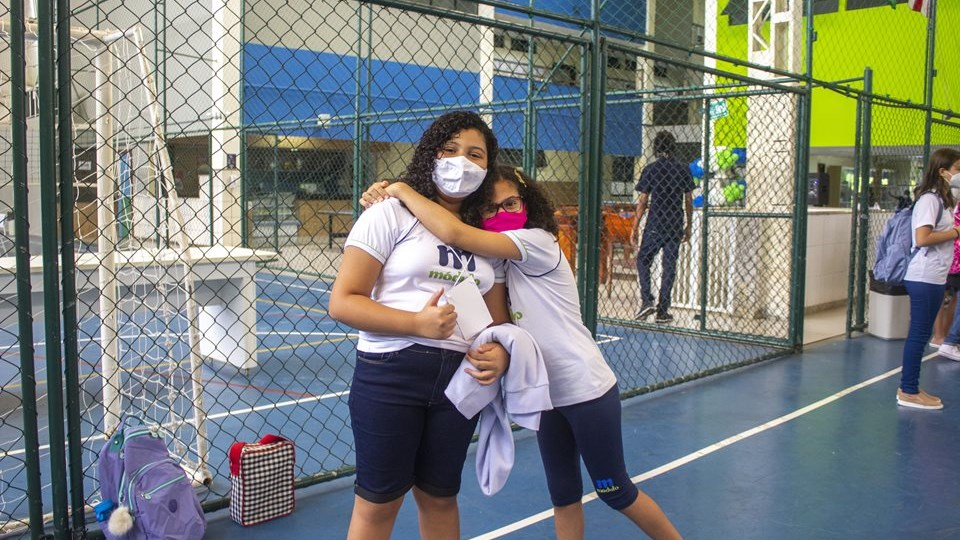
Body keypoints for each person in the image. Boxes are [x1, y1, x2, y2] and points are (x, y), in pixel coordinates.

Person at [364, 166, 682, 540]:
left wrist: (401, 190)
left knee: (615, 491)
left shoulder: (537, 242)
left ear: (527, 203)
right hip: (544, 393)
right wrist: (381, 201)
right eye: (490, 208)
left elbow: (453, 232)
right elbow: (476, 285)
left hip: (585, 389)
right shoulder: (495, 261)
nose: (501, 213)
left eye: (510, 203)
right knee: (563, 496)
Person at [328, 111, 512, 540]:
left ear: (488, 167)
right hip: (391, 374)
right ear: (430, 154)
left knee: (440, 497)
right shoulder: (389, 214)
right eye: (449, 149)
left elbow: (497, 321)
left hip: (462, 381)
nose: (461, 161)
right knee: (378, 503)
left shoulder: (487, 234)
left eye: (475, 154)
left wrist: (501, 353)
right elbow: (343, 301)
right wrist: (416, 324)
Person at [896, 147, 960, 410]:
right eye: (957, 169)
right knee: (919, 334)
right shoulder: (930, 200)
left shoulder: (943, 200)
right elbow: (922, 238)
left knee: (921, 335)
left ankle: (911, 387)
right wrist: (956, 232)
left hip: (934, 276)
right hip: (923, 276)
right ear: (943, 171)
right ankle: (908, 390)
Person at [631, 131, 695, 324]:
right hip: (675, 222)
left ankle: (647, 300)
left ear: (656, 148)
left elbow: (643, 200)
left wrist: (635, 225)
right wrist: (689, 224)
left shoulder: (651, 169)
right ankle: (662, 310)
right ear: (673, 147)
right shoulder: (683, 169)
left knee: (643, 259)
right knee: (669, 267)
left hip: (656, 222)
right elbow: (688, 199)